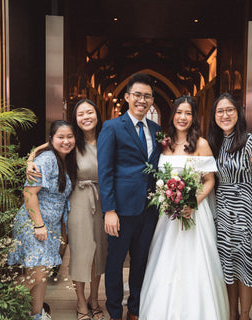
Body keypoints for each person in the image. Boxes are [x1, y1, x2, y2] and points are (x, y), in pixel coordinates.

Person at [139, 95, 229, 320]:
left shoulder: (201, 143)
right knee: (165, 262)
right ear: (173, 115)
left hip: (195, 214)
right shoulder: (165, 143)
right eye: (179, 112)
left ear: (194, 117)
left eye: (188, 113)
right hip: (168, 216)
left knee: (195, 264)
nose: (183, 117)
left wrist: (192, 203)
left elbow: (209, 180)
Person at [27, 100, 108, 320]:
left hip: (103, 199)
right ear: (75, 119)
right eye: (81, 114)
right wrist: (30, 160)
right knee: (82, 251)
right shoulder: (72, 141)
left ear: (97, 115)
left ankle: (94, 299)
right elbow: (47, 148)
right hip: (79, 199)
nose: (86, 117)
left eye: (90, 112)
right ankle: (81, 302)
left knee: (99, 252)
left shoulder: (107, 138)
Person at [97, 73, 162, 320]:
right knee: (114, 264)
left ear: (152, 100)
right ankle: (114, 312)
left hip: (149, 209)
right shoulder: (112, 127)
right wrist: (109, 210)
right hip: (121, 210)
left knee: (141, 261)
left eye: (147, 96)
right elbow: (105, 171)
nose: (142, 100)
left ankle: (135, 309)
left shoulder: (156, 130)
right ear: (127, 97)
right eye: (137, 95)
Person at [207, 93, 252, 320]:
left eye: (229, 110)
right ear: (214, 116)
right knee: (228, 267)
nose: (225, 115)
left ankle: (244, 316)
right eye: (219, 111)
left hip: (245, 211)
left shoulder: (251, 141)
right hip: (222, 211)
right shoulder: (213, 143)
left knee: (245, 267)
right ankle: (230, 314)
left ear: (238, 112)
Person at [8, 120, 77, 320]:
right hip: (35, 223)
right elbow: (29, 193)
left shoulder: (64, 159)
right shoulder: (47, 160)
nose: (66, 141)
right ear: (52, 139)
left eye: (69, 136)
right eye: (60, 137)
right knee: (35, 274)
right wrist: (39, 225)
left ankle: (36, 314)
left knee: (42, 272)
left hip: (51, 226)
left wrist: (34, 153)